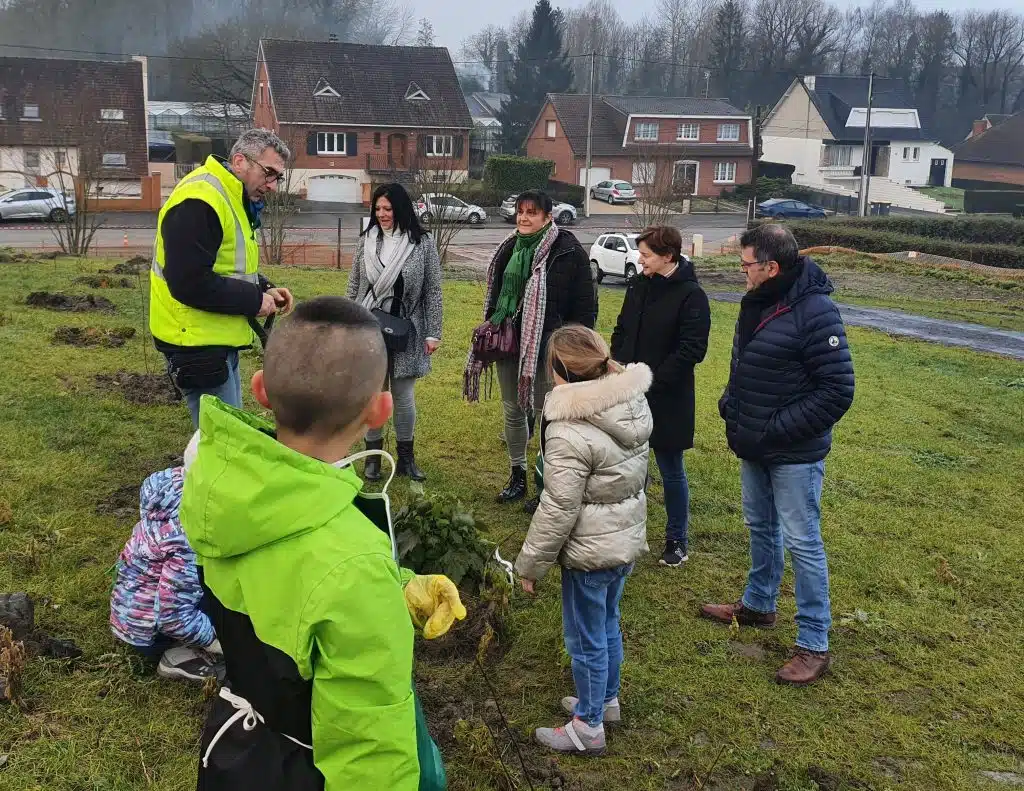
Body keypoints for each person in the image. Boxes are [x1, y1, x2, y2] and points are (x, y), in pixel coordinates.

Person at [181, 296, 465, 790]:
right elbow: (370, 753)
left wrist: (396, 587)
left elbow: (288, 577)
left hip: (239, 751)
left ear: (260, 390)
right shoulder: (355, 563)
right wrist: (378, 588)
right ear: (380, 410)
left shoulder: (217, 484)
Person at [701, 224, 855, 686]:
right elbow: (747, 363)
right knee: (760, 526)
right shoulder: (760, 302)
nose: (741, 272)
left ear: (771, 267)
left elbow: (837, 391)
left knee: (803, 541)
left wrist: (775, 431)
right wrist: (732, 403)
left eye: (746, 264)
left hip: (793, 454)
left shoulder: (816, 312)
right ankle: (759, 604)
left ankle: (814, 643)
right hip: (755, 443)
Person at [515, 325, 653, 756]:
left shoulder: (568, 430)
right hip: (622, 541)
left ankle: (588, 726)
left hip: (591, 554)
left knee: (585, 638)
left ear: (559, 373)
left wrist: (530, 565)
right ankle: (605, 700)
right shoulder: (628, 402)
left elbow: (557, 507)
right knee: (608, 623)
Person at [149, 128, 295, 428]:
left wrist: (265, 287)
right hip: (194, 342)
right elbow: (189, 282)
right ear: (239, 161)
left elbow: (225, 265)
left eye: (277, 177)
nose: (272, 185)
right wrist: (255, 300)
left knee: (227, 435)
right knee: (224, 444)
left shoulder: (229, 195)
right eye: (269, 173)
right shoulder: (201, 199)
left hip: (213, 338)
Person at [464, 190, 597, 508]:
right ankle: (517, 475)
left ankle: (546, 484)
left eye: (532, 212)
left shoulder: (568, 250)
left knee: (547, 415)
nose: (523, 217)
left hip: (551, 347)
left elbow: (585, 304)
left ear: (548, 216)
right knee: (512, 410)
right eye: (521, 211)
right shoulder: (508, 247)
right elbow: (495, 298)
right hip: (509, 343)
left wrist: (575, 346)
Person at [611, 225, 711, 568]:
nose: (640, 260)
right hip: (628, 392)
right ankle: (625, 532)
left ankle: (676, 539)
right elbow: (623, 327)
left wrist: (651, 381)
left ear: (668, 256)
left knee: (670, 469)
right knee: (628, 467)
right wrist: (617, 363)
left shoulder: (691, 295)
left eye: (646, 255)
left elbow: (692, 350)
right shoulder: (639, 284)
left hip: (668, 397)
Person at [347, 183, 443, 482]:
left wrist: (433, 332)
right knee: (375, 394)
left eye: (387, 208)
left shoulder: (422, 243)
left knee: (403, 396)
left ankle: (405, 458)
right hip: (369, 327)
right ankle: (373, 457)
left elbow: (432, 290)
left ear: (401, 208)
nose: (382, 214)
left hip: (407, 328)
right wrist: (348, 323)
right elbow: (354, 285)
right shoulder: (366, 241)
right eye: (377, 209)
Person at [109, 454, 223, 683]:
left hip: (133, 604)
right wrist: (217, 640)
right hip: (149, 629)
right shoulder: (191, 538)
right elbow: (173, 616)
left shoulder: (170, 492)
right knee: (228, 607)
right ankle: (179, 657)